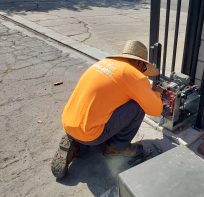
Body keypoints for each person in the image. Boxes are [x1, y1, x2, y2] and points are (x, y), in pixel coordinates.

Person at [51, 40, 163, 179]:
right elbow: (155, 110)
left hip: (68, 122)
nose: (144, 73)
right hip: (91, 134)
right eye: (144, 69)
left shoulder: (101, 64)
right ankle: (117, 147)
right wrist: (156, 93)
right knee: (138, 105)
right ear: (140, 63)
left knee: (111, 102)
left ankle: (77, 141)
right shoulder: (135, 75)